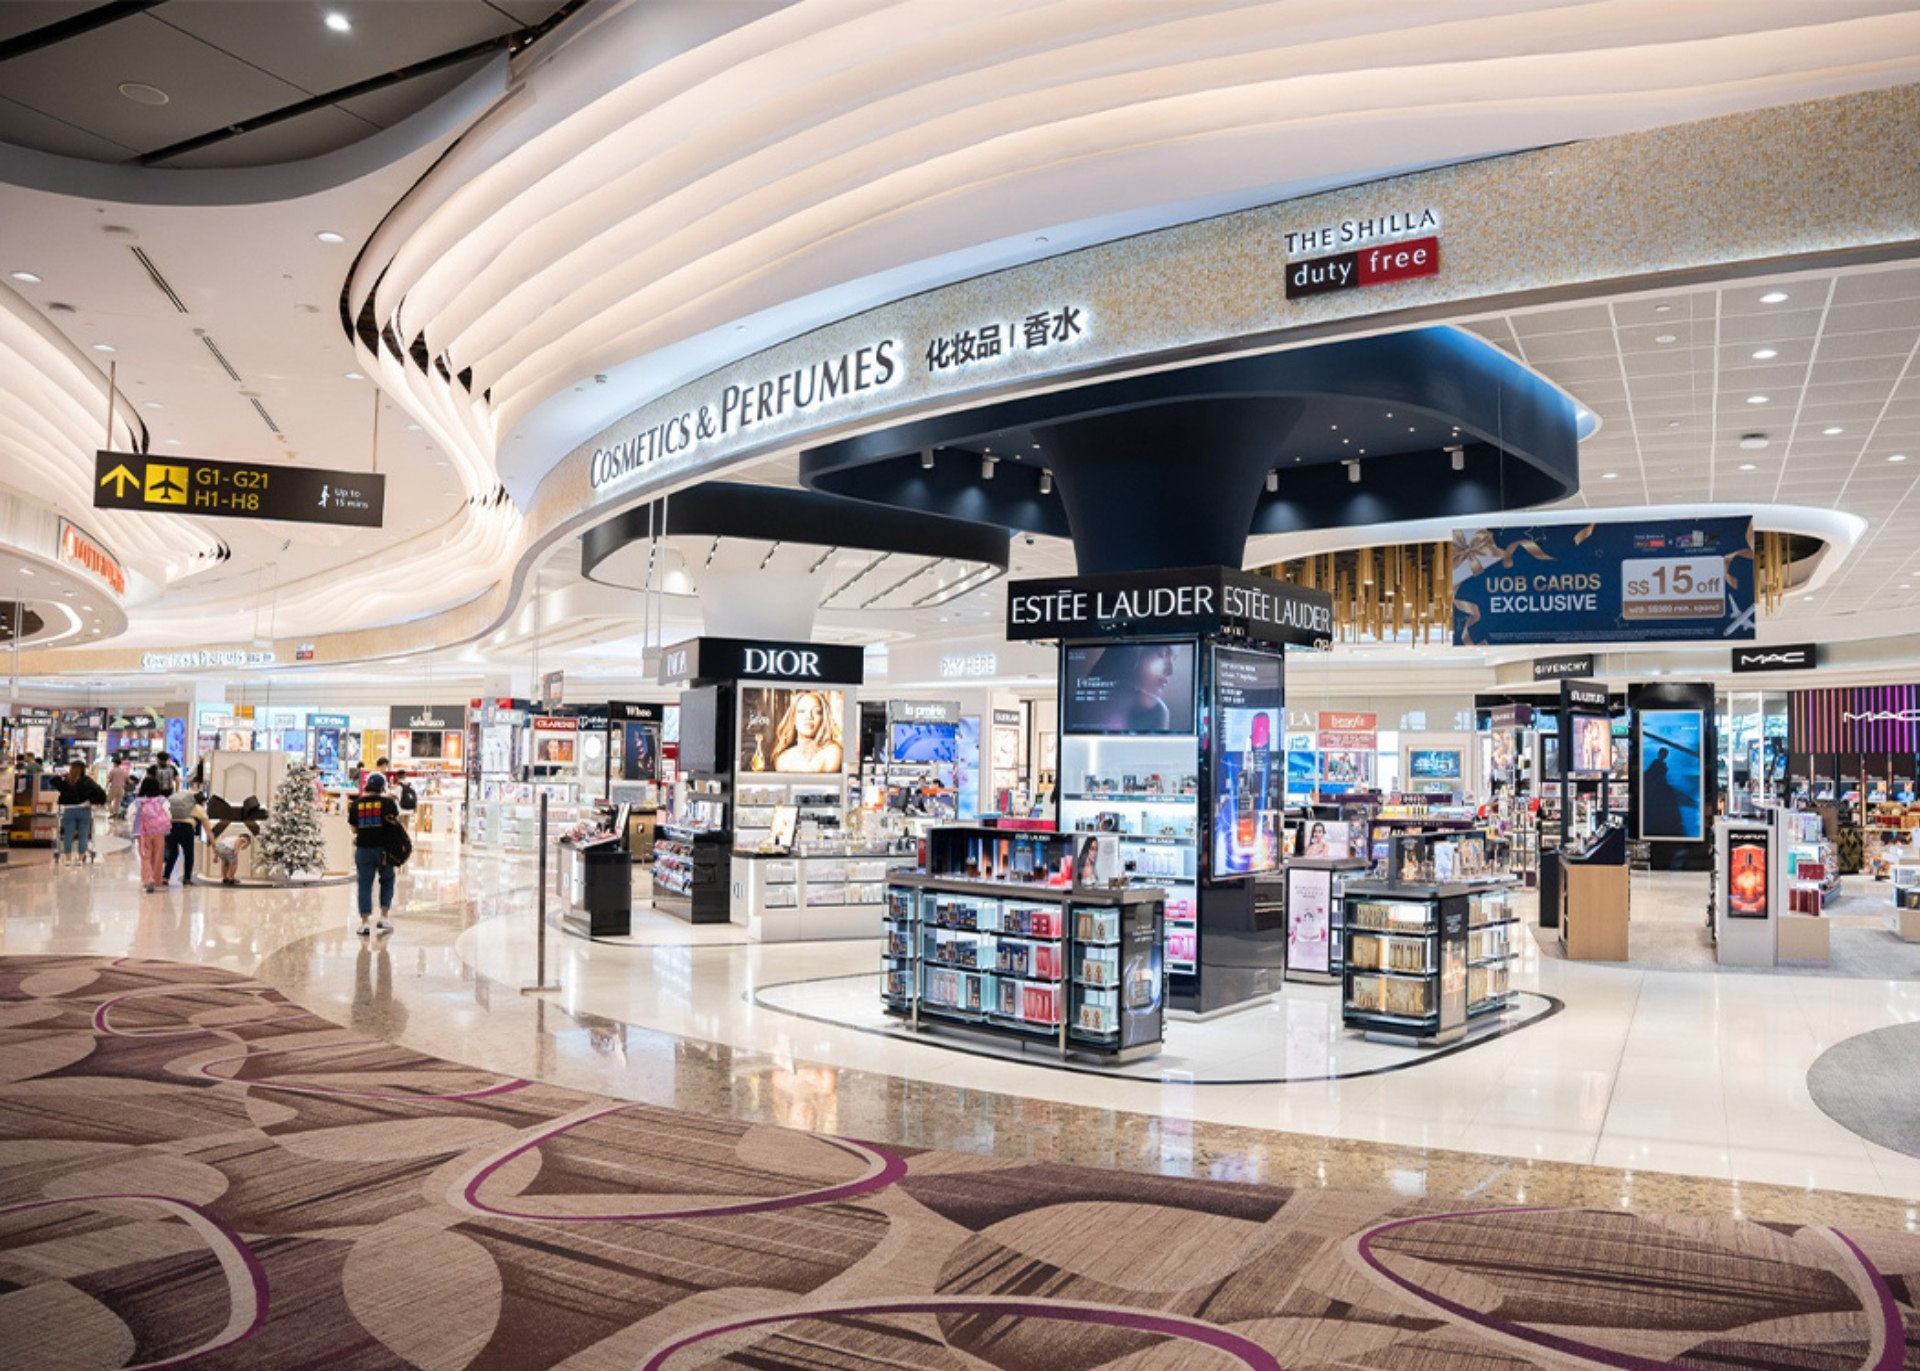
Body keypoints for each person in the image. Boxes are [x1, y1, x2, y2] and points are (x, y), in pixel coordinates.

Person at [1078, 644, 1181, 732]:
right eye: (1162, 654)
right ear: (1134, 652)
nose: (1170, 671)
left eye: (1173, 659)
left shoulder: (1082, 697)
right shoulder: (1157, 710)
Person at [347, 772, 400, 936]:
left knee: (364, 884)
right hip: (385, 850)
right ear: (382, 786)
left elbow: (354, 829)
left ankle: (364, 922)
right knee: (387, 880)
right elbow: (394, 824)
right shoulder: (389, 803)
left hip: (363, 849)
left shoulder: (357, 804)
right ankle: (384, 916)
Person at [771, 690, 843, 773]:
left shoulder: (832, 752)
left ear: (823, 719)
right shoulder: (783, 759)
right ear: (793, 718)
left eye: (816, 712)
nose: (809, 717)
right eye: (801, 711)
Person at [52, 760, 106, 865]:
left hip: (69, 810)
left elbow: (53, 781)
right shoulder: (87, 781)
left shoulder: (66, 781)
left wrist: (62, 775)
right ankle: (81, 859)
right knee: (83, 835)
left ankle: (68, 859)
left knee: (68, 835)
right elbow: (100, 792)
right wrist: (96, 800)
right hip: (84, 810)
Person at [129, 775, 171, 893]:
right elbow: (169, 814)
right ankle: (157, 880)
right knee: (158, 856)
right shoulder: (162, 800)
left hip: (142, 832)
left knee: (145, 857)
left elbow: (129, 814)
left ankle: (148, 880)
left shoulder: (138, 802)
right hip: (160, 831)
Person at [164, 787, 210, 886]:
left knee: (172, 854)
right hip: (186, 829)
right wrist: (213, 844)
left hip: (171, 828)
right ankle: (187, 879)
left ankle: (165, 877)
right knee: (188, 855)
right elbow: (208, 829)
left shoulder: (183, 806)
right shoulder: (198, 808)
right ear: (201, 802)